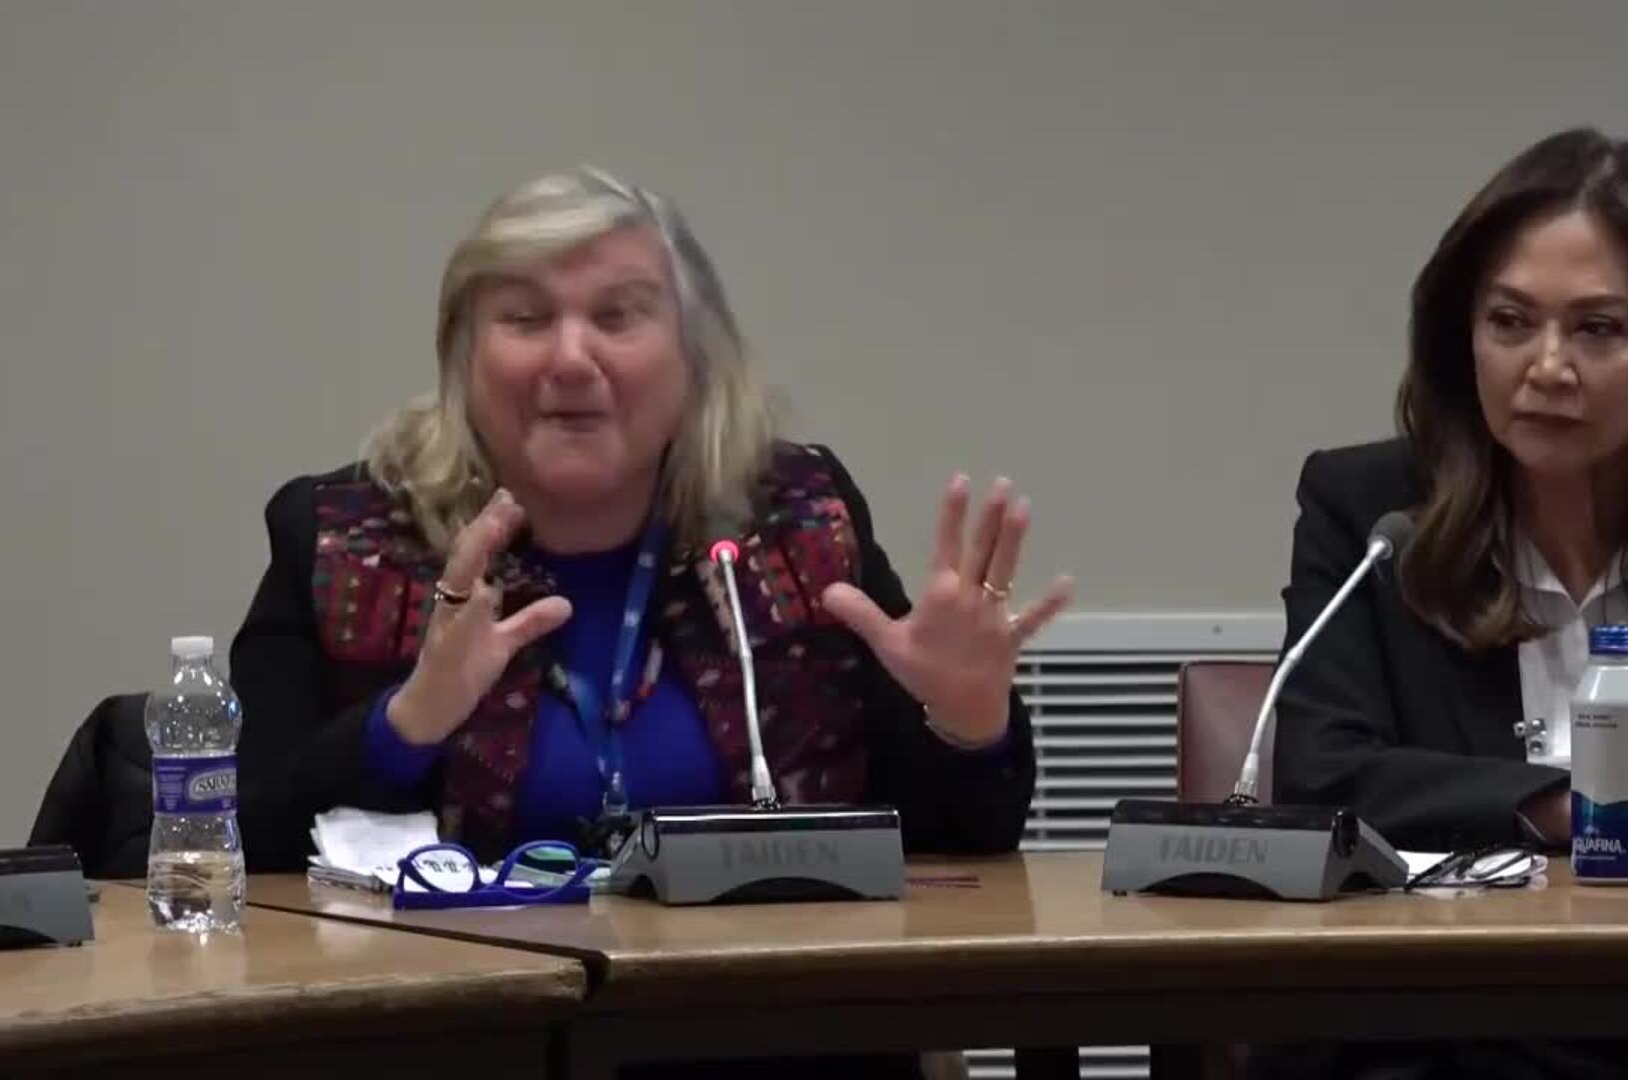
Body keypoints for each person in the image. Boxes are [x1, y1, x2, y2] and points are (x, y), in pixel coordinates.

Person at [228, 166, 1073, 883]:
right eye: (525, 319)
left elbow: (961, 847)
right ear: (463, 357)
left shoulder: (797, 525)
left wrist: (967, 724)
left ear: (695, 358)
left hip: (760, 1003)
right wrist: (407, 723)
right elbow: (244, 850)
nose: (570, 359)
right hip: (458, 1010)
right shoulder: (346, 541)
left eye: (618, 316)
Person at [1267, 129, 1628, 1078]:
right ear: (1464, 339)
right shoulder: (1371, 511)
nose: (1548, 367)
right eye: (1510, 322)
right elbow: (1320, 778)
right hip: (1437, 1019)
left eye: (1598, 329)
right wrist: (1594, 799)